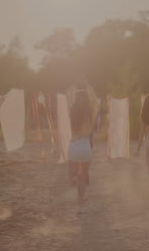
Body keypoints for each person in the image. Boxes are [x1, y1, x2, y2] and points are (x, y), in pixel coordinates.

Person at [67, 80, 99, 214]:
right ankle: (80, 206)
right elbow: (95, 101)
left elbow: (69, 96)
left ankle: (73, 178)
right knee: (83, 176)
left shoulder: (72, 112)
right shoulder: (90, 113)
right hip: (86, 146)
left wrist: (73, 84)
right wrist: (89, 86)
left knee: (72, 175)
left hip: (74, 145)